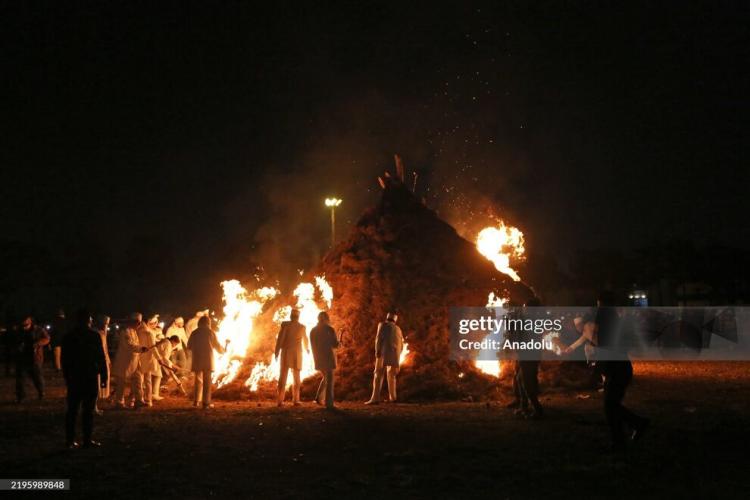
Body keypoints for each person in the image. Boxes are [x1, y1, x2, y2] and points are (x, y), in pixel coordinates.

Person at [594, 291, 650, 452]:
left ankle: (637, 424)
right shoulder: (615, 319)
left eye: (599, 305)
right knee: (611, 406)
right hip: (619, 368)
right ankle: (620, 440)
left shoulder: (606, 317)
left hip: (617, 369)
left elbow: (602, 343)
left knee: (610, 406)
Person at [61, 309, 108, 449]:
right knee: (87, 411)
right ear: (89, 320)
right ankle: (87, 440)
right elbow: (101, 357)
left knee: (72, 410)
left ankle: (70, 441)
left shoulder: (69, 336)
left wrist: (67, 376)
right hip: (89, 376)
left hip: (75, 377)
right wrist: (104, 375)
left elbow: (65, 359)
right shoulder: (94, 336)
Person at [365, 311, 404, 405]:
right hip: (395, 355)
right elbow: (402, 344)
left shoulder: (382, 325)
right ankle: (393, 398)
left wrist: (377, 351)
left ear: (387, 318)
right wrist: (398, 355)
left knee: (378, 374)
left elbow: (378, 339)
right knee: (392, 376)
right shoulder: (398, 329)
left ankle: (375, 398)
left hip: (383, 353)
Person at [187, 316, 226, 409]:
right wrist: (223, 350)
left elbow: (189, 346)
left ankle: (196, 401)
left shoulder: (194, 333)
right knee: (207, 382)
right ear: (208, 323)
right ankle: (206, 403)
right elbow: (217, 346)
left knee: (198, 381)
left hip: (197, 359)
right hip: (208, 360)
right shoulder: (211, 332)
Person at [274, 309, 309, 407]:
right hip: (297, 354)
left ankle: (280, 401)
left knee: (283, 376)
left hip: (287, 352)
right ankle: (296, 400)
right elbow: (306, 339)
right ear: (298, 317)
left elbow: (280, 339)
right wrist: (307, 349)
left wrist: (277, 351)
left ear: (291, 316)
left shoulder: (286, 325)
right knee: (296, 377)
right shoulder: (301, 327)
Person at [111, 315, 148, 408]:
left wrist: (141, 349)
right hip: (124, 362)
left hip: (134, 361)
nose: (139, 324)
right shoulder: (125, 332)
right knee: (121, 383)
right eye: (137, 322)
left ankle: (139, 400)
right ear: (132, 321)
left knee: (138, 380)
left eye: (139, 322)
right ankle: (119, 402)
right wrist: (140, 348)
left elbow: (135, 345)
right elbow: (129, 345)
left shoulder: (134, 331)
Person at [15, 315, 50, 403]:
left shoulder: (38, 329)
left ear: (30, 322)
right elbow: (13, 340)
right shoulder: (19, 331)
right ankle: (21, 397)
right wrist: (18, 346)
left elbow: (47, 338)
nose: (24, 328)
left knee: (37, 377)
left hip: (35, 358)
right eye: (23, 326)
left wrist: (38, 343)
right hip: (22, 358)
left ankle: (41, 392)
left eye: (26, 326)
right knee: (20, 378)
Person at [310, 312, 340, 409]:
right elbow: (335, 344)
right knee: (330, 380)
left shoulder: (313, 330)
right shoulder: (329, 329)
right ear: (327, 319)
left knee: (326, 377)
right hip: (328, 357)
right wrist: (339, 344)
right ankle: (329, 403)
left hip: (318, 358)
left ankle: (319, 398)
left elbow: (313, 345)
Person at [135, 317, 164, 407]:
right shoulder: (148, 333)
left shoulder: (136, 331)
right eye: (154, 323)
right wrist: (159, 359)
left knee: (139, 381)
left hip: (138, 358)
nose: (155, 325)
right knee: (147, 381)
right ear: (149, 323)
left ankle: (139, 399)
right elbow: (153, 347)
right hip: (146, 359)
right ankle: (148, 400)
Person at [152, 336, 179, 400]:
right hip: (156, 360)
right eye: (175, 344)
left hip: (156, 360)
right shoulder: (168, 344)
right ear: (172, 341)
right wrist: (171, 366)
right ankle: (154, 395)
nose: (174, 346)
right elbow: (165, 358)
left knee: (156, 376)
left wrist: (172, 365)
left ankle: (153, 394)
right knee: (158, 376)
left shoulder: (166, 342)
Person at [94, 315, 112, 414]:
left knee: (100, 384)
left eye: (107, 324)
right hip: (98, 363)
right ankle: (93, 407)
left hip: (103, 362)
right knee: (96, 384)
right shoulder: (97, 334)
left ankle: (94, 406)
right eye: (105, 324)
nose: (106, 326)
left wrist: (108, 361)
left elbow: (105, 349)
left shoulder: (103, 334)